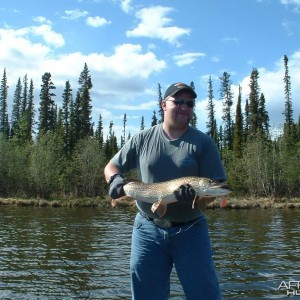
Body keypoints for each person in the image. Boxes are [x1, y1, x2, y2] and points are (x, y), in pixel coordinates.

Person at [104, 82, 226, 300]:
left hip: (192, 231)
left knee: (205, 294)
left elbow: (209, 197)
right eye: (178, 101)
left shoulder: (204, 143)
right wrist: (115, 181)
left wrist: (198, 199)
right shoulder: (142, 138)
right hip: (147, 230)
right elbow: (111, 167)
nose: (184, 107)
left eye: (189, 103)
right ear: (164, 104)